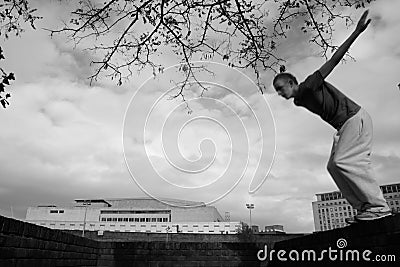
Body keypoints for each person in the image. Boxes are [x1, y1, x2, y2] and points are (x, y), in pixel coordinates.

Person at [273, 10, 391, 223]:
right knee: (333, 166)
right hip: (344, 126)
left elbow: (334, 60)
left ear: (292, 83)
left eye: (281, 88)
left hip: (355, 118)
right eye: (278, 91)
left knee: (344, 160)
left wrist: (356, 32)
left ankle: (379, 206)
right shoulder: (299, 100)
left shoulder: (310, 84)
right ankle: (364, 207)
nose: (281, 94)